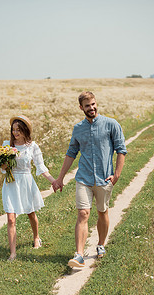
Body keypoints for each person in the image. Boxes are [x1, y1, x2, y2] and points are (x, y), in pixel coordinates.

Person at [52, 91, 127, 268]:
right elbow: (71, 153)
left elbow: (121, 149)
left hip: (104, 178)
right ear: (81, 108)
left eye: (93, 104)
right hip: (84, 178)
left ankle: (101, 244)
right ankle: (79, 254)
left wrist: (116, 175)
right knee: (83, 213)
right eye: (87, 106)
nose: (91, 108)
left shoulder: (111, 124)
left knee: (102, 212)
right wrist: (60, 178)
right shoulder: (78, 128)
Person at [1, 115, 55, 261]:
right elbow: (3, 168)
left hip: (26, 182)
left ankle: (36, 237)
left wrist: (53, 181)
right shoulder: (7, 145)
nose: (15, 133)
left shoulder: (32, 146)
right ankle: (13, 253)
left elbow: (41, 166)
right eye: (13, 130)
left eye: (18, 130)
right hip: (11, 183)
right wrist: (3, 163)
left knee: (31, 213)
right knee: (11, 218)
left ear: (25, 130)